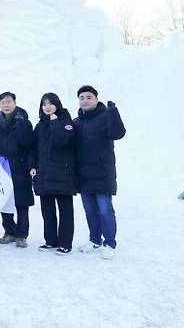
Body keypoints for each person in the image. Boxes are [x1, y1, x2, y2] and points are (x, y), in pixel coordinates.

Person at [72, 85, 126, 259]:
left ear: (96, 99)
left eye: (89, 97)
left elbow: (118, 133)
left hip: (102, 173)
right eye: (82, 97)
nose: (85, 100)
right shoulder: (77, 121)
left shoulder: (106, 116)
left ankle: (109, 243)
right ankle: (94, 240)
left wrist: (113, 112)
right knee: (90, 211)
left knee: (105, 210)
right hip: (83, 174)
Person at [29, 93, 76, 255]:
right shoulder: (39, 126)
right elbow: (33, 149)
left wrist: (54, 121)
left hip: (63, 174)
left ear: (57, 105)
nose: (47, 107)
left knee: (65, 212)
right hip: (44, 174)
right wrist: (32, 165)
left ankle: (65, 243)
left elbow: (60, 141)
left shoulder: (67, 123)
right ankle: (50, 241)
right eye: (44, 104)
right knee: (47, 211)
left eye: (50, 103)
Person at [0, 92, 35, 248]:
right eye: (3, 102)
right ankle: (9, 231)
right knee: (4, 201)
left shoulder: (24, 121)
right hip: (2, 168)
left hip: (20, 167)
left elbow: (29, 143)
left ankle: (22, 235)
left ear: (15, 103)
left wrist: (21, 126)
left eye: (9, 102)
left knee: (22, 203)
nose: (6, 105)